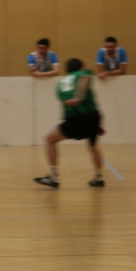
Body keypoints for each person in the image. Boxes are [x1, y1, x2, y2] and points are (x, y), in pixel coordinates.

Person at [34, 58, 106, 189]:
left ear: (66, 70)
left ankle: (53, 177)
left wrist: (78, 97)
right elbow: (86, 77)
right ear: (80, 67)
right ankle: (99, 177)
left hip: (76, 118)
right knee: (92, 145)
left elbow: (67, 102)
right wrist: (95, 125)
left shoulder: (61, 83)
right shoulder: (83, 73)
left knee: (50, 140)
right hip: (93, 116)